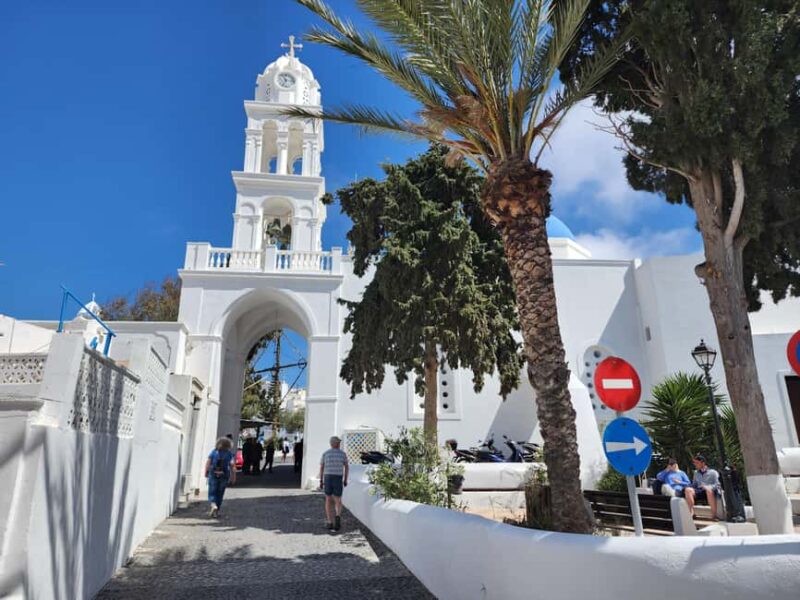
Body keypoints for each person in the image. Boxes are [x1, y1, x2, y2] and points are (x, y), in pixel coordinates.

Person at [319, 436, 349, 532]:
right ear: (336, 444)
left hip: (328, 477)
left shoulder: (325, 454)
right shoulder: (342, 454)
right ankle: (338, 517)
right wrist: (345, 480)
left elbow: (322, 468)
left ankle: (329, 522)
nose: (339, 444)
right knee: (338, 499)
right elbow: (347, 467)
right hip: (338, 477)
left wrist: (321, 480)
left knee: (328, 499)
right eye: (339, 443)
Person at [204, 436, 236, 518]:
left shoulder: (214, 452)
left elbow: (208, 462)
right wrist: (233, 477)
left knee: (212, 491)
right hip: (224, 474)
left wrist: (206, 472)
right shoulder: (229, 454)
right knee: (220, 493)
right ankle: (216, 512)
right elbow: (232, 465)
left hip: (213, 473)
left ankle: (213, 504)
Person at [691, 454, 722, 519]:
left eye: (697, 463)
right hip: (699, 491)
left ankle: (714, 515)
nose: (695, 464)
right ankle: (692, 514)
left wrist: (707, 487)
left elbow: (718, 484)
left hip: (710, 491)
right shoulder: (696, 473)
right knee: (688, 490)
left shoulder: (713, 472)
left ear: (703, 463)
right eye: (695, 463)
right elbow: (694, 484)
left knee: (708, 490)